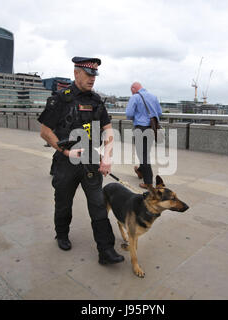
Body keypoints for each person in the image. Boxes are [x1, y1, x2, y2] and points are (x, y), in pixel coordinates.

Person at [38, 56, 124, 265]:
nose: (92, 79)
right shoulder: (60, 99)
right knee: (63, 203)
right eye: (88, 74)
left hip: (91, 160)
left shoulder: (96, 101)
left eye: (94, 75)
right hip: (66, 161)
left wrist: (107, 157)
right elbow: (45, 132)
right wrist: (66, 152)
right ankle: (62, 234)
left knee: (97, 204)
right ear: (76, 73)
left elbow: (108, 129)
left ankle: (106, 250)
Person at [125, 82, 162, 189]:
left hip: (141, 128)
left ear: (133, 89)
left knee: (143, 155)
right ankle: (141, 171)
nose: (131, 93)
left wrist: (138, 117)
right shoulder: (153, 97)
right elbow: (159, 113)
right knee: (145, 153)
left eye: (131, 91)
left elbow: (129, 114)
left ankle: (148, 182)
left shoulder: (135, 97)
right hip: (152, 128)